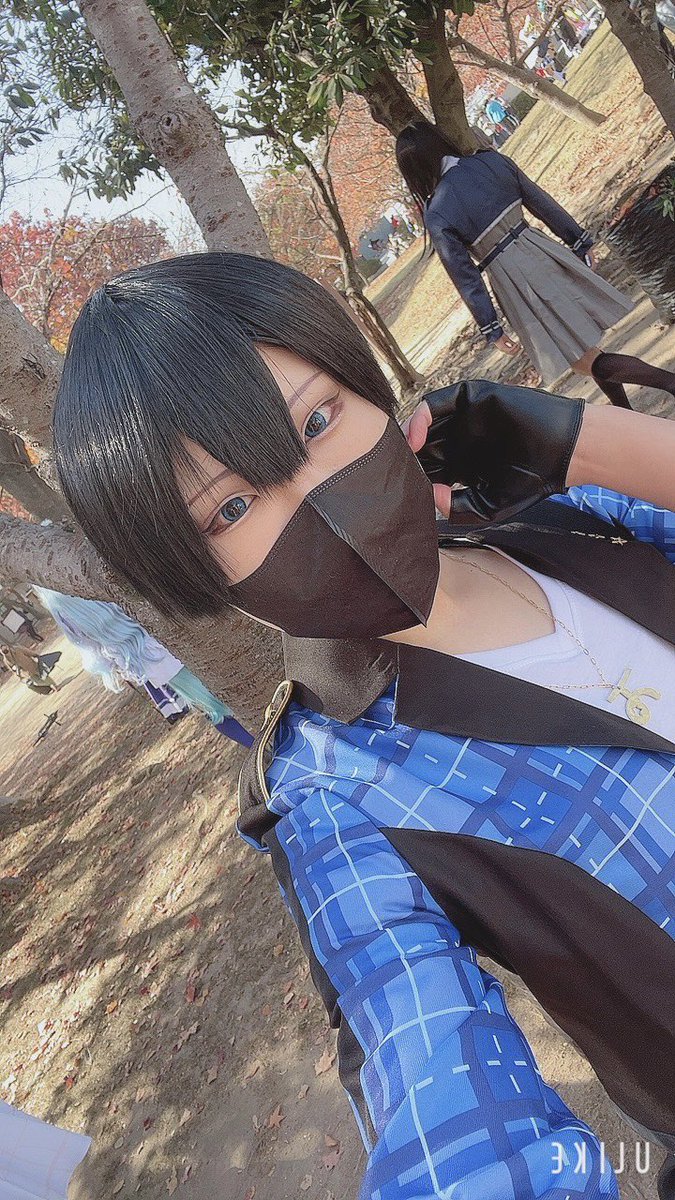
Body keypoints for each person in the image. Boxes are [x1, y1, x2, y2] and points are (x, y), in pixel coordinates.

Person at [51, 253, 675, 1199]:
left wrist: (579, 443)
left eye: (316, 421)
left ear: (376, 398)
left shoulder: (562, 519)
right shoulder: (333, 797)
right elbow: (442, 1106)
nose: (316, 497)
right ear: (190, 571)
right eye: (230, 506)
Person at [395, 121, 675, 407]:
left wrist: (491, 327)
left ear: (415, 170)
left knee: (581, 359)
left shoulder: (437, 212)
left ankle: (669, 382)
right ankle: (627, 412)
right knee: (585, 352)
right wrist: (578, 240)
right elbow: (541, 202)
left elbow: (465, 275)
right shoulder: (490, 161)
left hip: (512, 277)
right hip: (542, 248)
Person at [34, 589, 253, 747]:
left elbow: (87, 645)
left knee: (215, 708)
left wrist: (115, 662)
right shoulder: (82, 569)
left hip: (150, 659)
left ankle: (259, 747)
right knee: (229, 691)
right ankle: (262, 746)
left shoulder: (58, 604)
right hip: (167, 631)